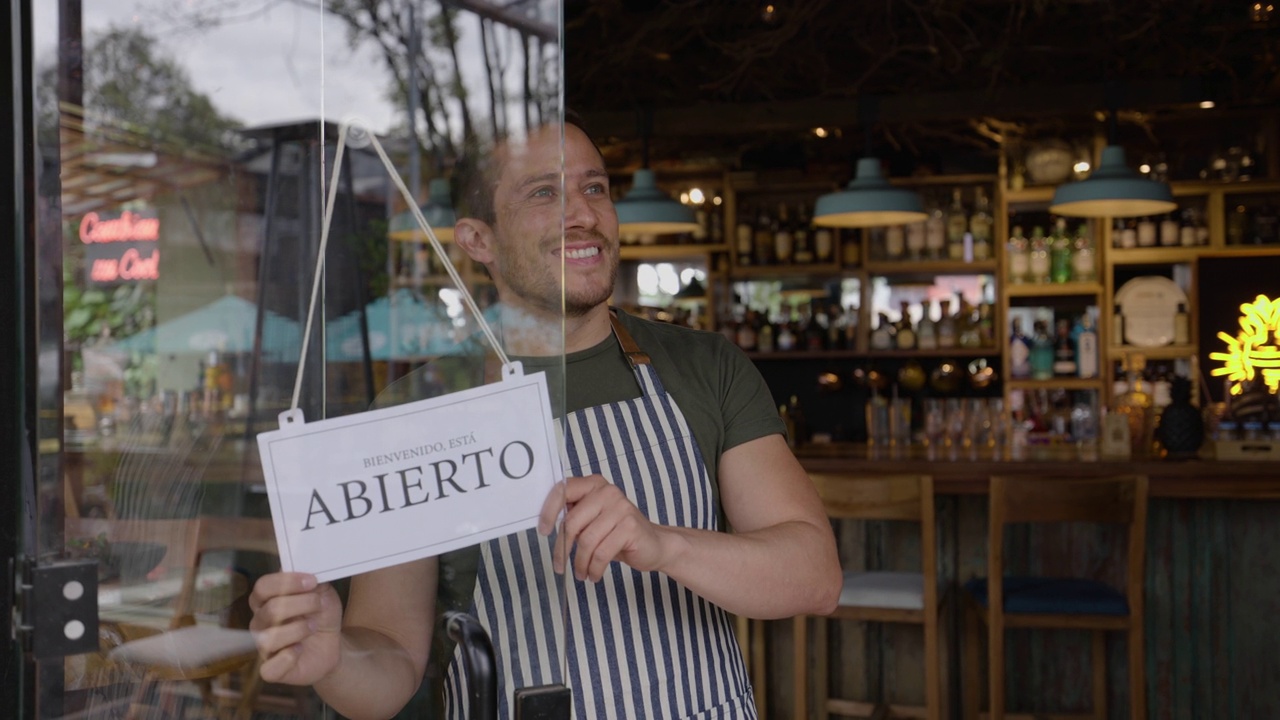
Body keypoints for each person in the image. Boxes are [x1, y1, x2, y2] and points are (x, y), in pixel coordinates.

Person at [248, 118, 842, 720]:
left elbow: (814, 576)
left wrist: (664, 545)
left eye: (595, 188)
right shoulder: (417, 410)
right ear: (478, 240)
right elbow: (393, 660)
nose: (582, 214)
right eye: (543, 193)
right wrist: (334, 660)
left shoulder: (704, 367)